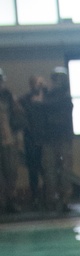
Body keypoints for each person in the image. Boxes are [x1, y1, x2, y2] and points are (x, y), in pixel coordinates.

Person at [41, 67, 74, 214]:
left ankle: (64, 201)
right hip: (49, 140)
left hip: (63, 139)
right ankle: (52, 201)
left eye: (61, 79)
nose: (58, 82)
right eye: (56, 79)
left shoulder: (65, 98)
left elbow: (53, 105)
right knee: (50, 172)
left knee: (65, 172)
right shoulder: (47, 95)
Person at [19, 75, 47, 210]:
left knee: (47, 170)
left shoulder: (48, 99)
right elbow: (23, 118)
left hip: (46, 139)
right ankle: (35, 197)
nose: (39, 86)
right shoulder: (25, 100)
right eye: (37, 83)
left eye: (41, 83)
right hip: (31, 139)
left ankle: (48, 197)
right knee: (33, 170)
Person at [0, 69, 24, 214]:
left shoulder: (9, 97)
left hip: (8, 141)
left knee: (11, 173)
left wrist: (18, 139)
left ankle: (10, 200)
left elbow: (18, 119)